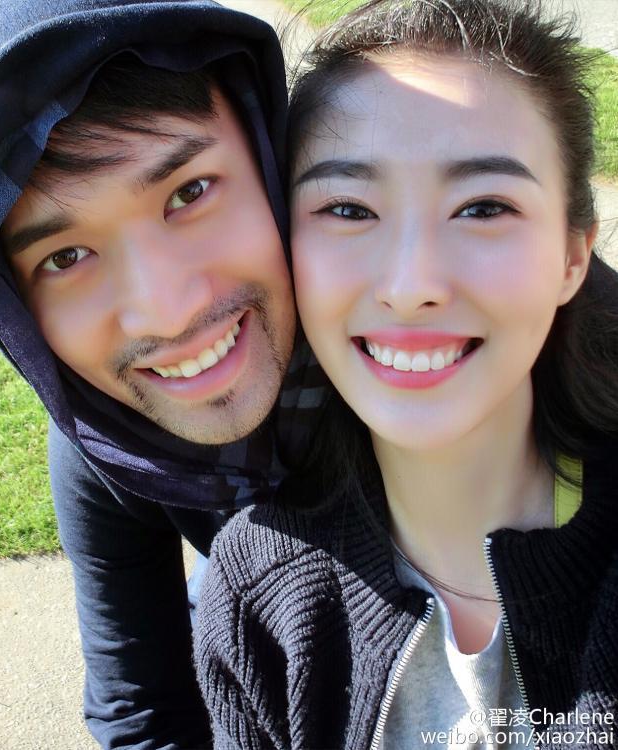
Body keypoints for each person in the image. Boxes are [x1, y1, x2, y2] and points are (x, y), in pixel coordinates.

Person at [195, 1, 618, 748]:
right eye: (349, 209)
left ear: (572, 258)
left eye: (483, 207)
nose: (410, 285)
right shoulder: (254, 600)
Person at [0, 1, 326, 747]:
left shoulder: (408, 337)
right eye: (66, 257)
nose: (168, 312)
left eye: (189, 193)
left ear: (268, 155)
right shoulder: (106, 446)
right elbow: (141, 707)